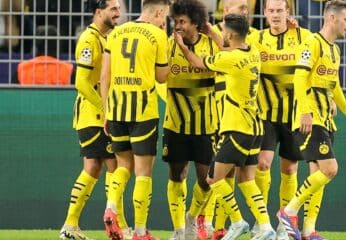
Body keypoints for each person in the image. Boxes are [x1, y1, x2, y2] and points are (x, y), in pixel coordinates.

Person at [175, 13, 276, 240]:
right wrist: (211, 31)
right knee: (246, 181)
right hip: (255, 127)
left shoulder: (227, 60)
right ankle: (266, 225)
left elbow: (197, 62)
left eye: (223, 30)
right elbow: (230, 48)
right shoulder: (252, 51)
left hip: (236, 128)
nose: (221, 34)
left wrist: (182, 47)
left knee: (213, 179)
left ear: (230, 34)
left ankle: (238, 221)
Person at [276, 1, 346, 240]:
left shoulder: (335, 50)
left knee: (318, 174)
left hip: (325, 118)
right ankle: (289, 211)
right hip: (310, 119)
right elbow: (299, 78)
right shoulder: (311, 43)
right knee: (330, 168)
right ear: (332, 19)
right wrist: (304, 111)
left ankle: (308, 230)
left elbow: (335, 86)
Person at [59, 1, 130, 240]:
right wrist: (105, 110)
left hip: (98, 115)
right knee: (116, 167)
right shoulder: (89, 40)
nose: (118, 13)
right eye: (113, 8)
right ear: (98, 12)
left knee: (93, 168)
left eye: (118, 8)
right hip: (94, 116)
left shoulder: (109, 37)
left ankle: (70, 225)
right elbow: (81, 83)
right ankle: (121, 227)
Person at [100, 0, 170, 239]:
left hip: (116, 110)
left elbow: (104, 75)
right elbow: (162, 77)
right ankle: (140, 231)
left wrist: (105, 110)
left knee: (123, 166)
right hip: (143, 111)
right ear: (160, 11)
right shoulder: (158, 35)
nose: (164, 21)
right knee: (143, 172)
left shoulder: (116, 32)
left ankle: (111, 207)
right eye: (165, 16)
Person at [250, 0, 312, 239]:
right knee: (263, 163)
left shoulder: (304, 37)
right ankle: (262, 221)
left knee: (289, 168)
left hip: (294, 115)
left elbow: (318, 65)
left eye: (280, 10)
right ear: (265, 13)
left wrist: (325, 97)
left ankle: (284, 226)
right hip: (265, 114)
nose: (275, 15)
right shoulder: (256, 39)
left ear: (289, 12)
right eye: (271, 11)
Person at [162, 1, 218, 240]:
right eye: (176, 22)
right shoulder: (168, 46)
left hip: (206, 125)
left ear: (196, 23)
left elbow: (233, 53)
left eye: (183, 22)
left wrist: (212, 31)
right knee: (177, 174)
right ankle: (179, 230)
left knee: (207, 179)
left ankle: (192, 216)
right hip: (176, 123)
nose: (178, 26)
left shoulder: (211, 45)